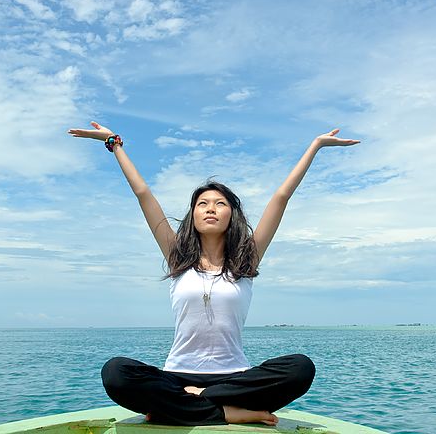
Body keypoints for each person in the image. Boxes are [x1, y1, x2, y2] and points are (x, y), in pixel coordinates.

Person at [67, 121, 360, 426]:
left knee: (300, 368)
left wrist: (315, 145)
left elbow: (281, 197)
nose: (210, 208)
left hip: (236, 378)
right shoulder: (177, 257)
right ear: (192, 215)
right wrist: (114, 144)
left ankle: (191, 405)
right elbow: (143, 194)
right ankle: (225, 411)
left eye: (220, 204)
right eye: (202, 203)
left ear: (231, 214)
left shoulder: (246, 261)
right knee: (116, 372)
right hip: (178, 377)